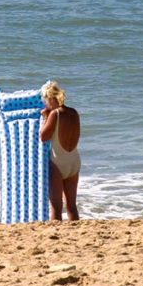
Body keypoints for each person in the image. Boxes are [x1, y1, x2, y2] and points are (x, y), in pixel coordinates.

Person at [39, 81, 81, 221]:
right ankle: (76, 233)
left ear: (50, 98)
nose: (45, 104)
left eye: (45, 100)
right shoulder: (74, 112)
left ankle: (57, 238)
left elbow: (43, 137)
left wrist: (45, 117)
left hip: (58, 163)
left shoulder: (55, 114)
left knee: (56, 206)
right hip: (74, 161)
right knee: (71, 206)